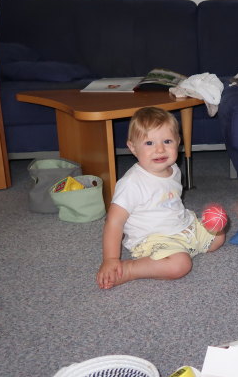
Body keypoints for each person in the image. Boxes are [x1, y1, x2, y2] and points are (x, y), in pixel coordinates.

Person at [96, 107, 226, 289]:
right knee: (180, 265)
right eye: (149, 143)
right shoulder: (132, 183)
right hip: (154, 238)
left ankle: (186, 245)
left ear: (178, 143)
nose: (160, 149)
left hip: (182, 226)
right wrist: (110, 259)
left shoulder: (174, 170)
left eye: (167, 141)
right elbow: (114, 222)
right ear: (133, 147)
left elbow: (171, 203)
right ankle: (131, 269)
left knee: (218, 238)